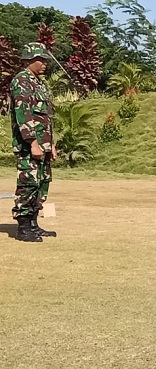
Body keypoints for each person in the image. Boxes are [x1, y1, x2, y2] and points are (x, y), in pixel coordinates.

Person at [10, 42, 57, 242]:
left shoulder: (39, 83)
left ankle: (34, 224)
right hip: (30, 145)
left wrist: (51, 143)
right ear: (29, 60)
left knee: (41, 184)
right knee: (28, 184)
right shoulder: (21, 81)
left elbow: (45, 117)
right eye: (40, 59)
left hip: (43, 144)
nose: (44, 63)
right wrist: (32, 142)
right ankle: (23, 228)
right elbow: (24, 114)